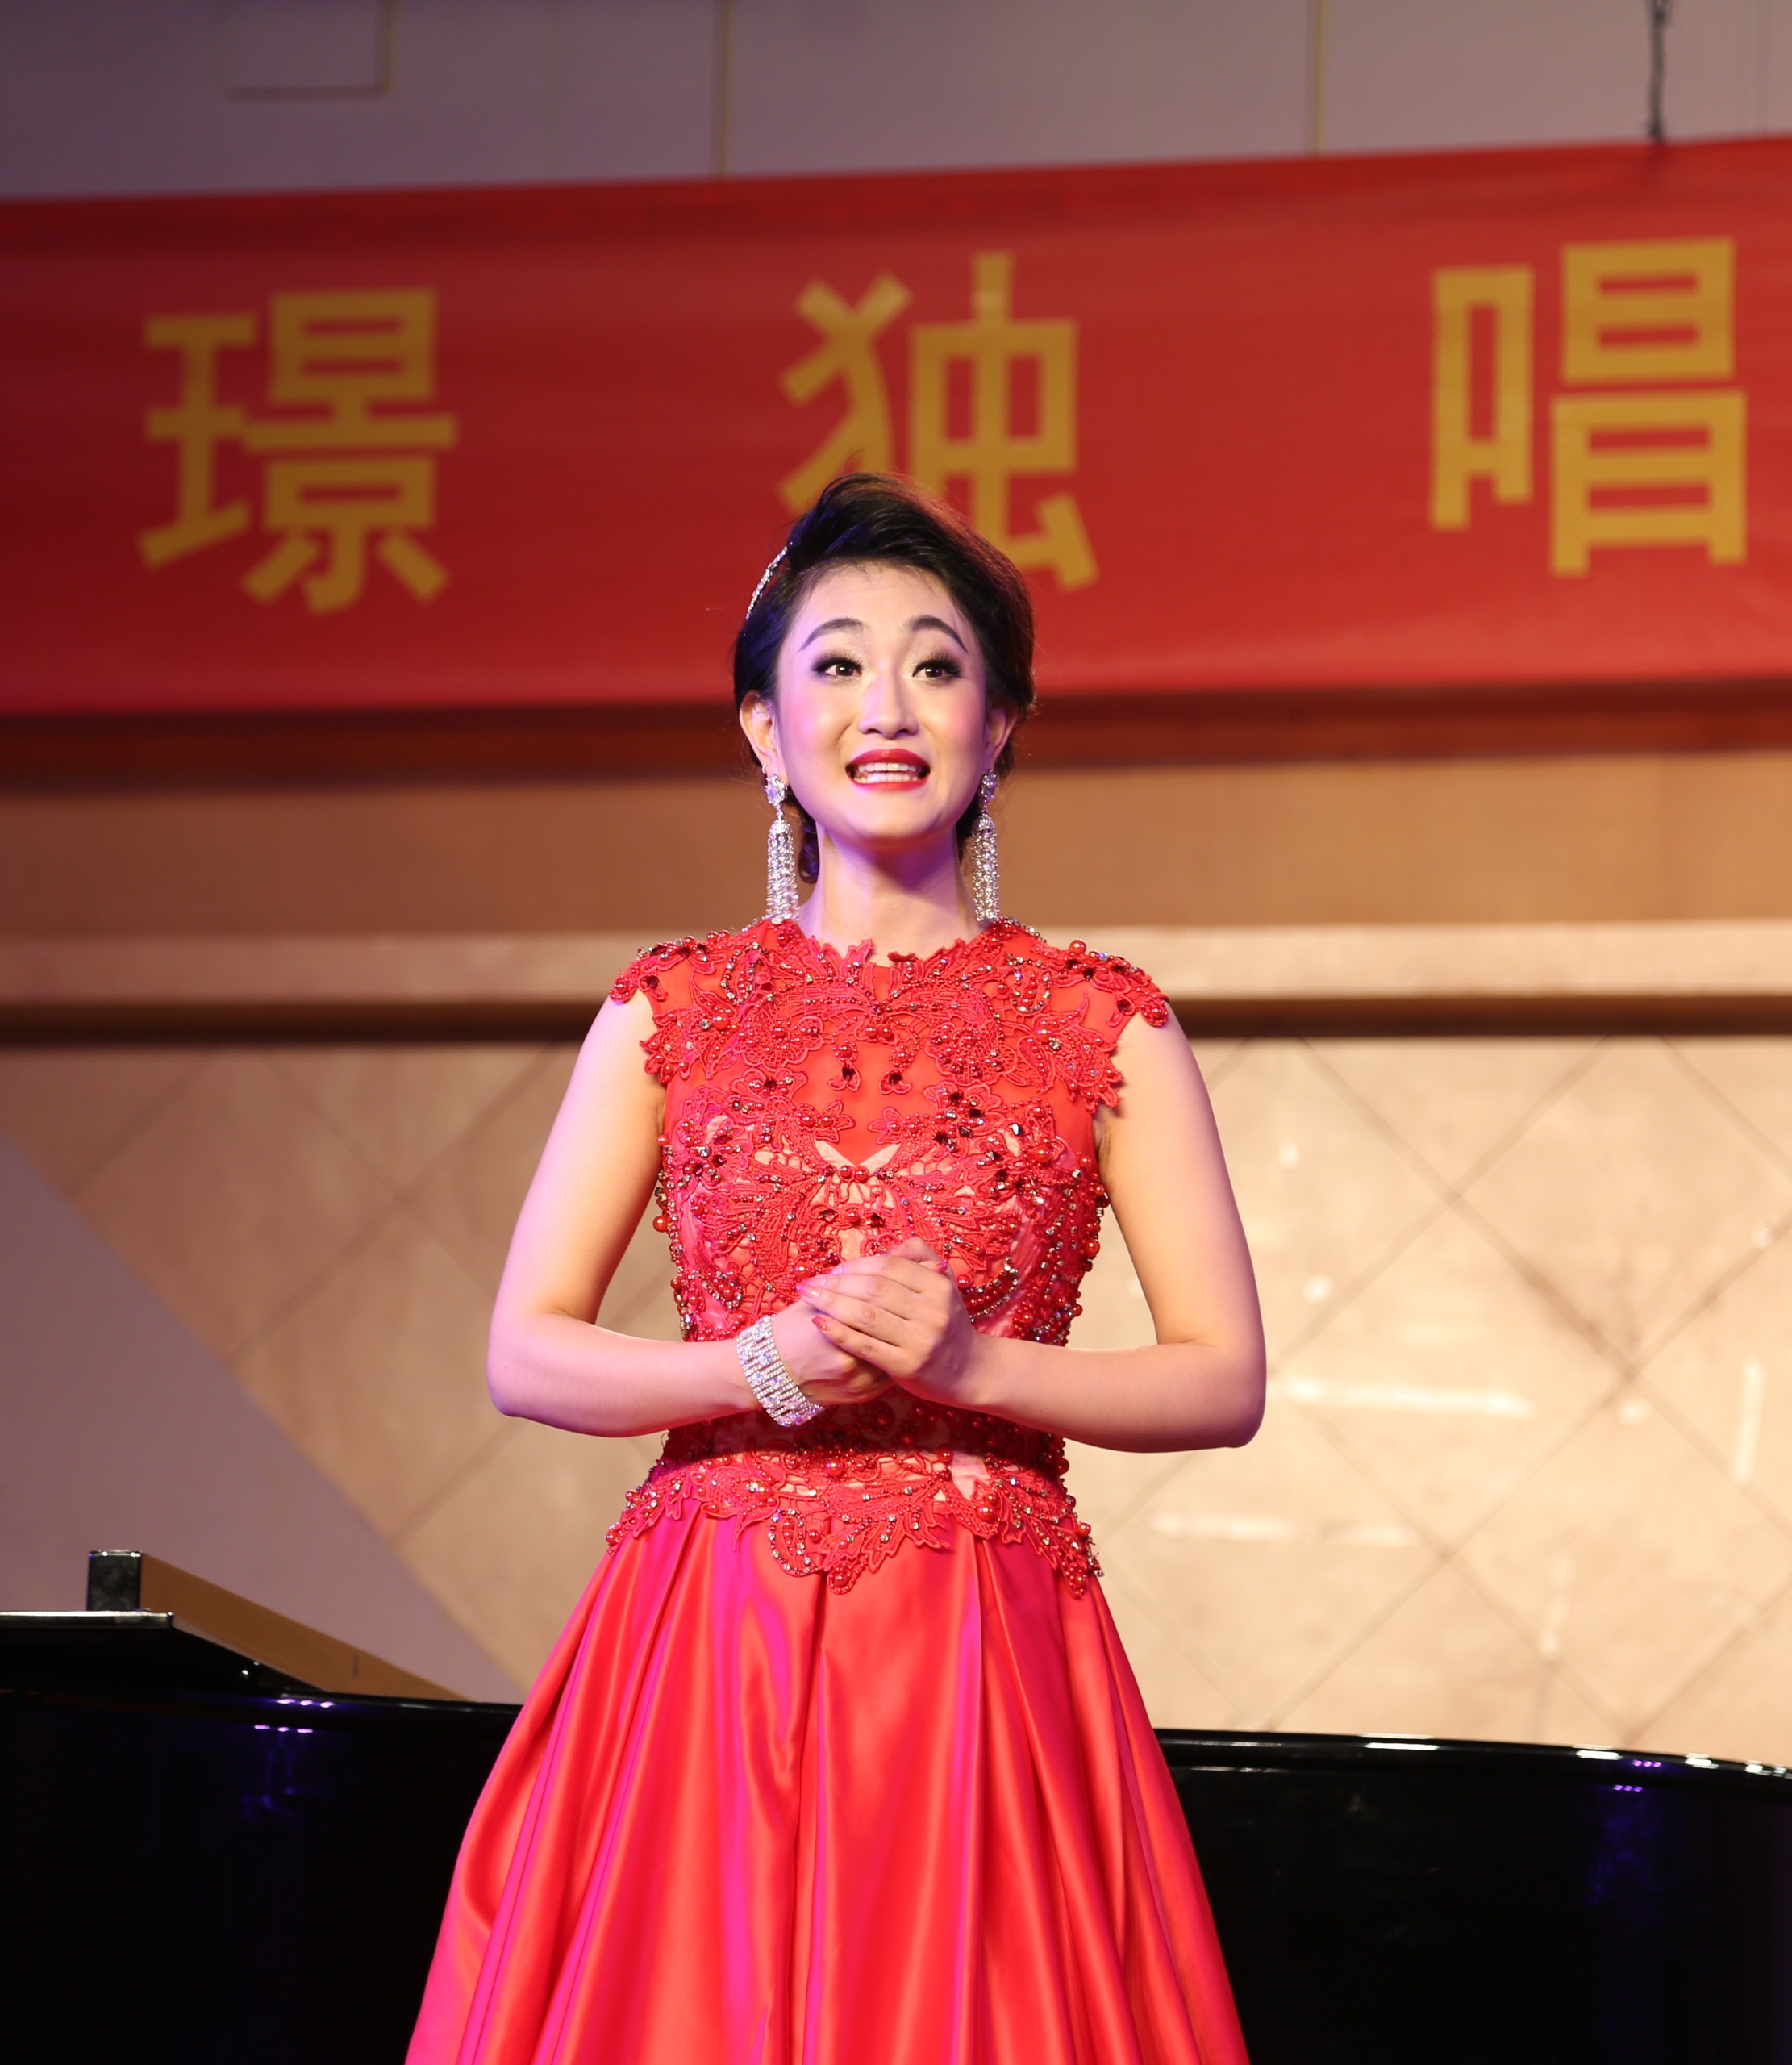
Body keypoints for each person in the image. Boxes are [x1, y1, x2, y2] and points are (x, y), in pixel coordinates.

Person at [408, 473, 1265, 2065]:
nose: (889, 706)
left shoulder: (1105, 1021)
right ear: (764, 728)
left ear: (999, 726)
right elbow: (527, 1350)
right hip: (707, 1638)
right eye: (838, 665)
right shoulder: (669, 1010)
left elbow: (1224, 1378)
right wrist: (756, 1366)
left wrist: (979, 1369)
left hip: (978, 1645)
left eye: (938, 666)